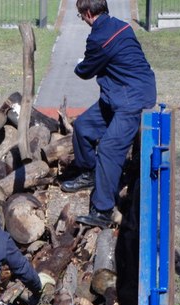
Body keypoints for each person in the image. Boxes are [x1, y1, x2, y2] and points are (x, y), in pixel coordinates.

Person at [60, 0, 157, 229]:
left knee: (109, 148)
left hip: (130, 99)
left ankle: (103, 211)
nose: (82, 20)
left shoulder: (99, 37)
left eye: (80, 16)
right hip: (116, 93)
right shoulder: (121, 25)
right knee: (83, 127)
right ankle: (91, 172)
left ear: (88, 13)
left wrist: (79, 65)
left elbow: (85, 71)